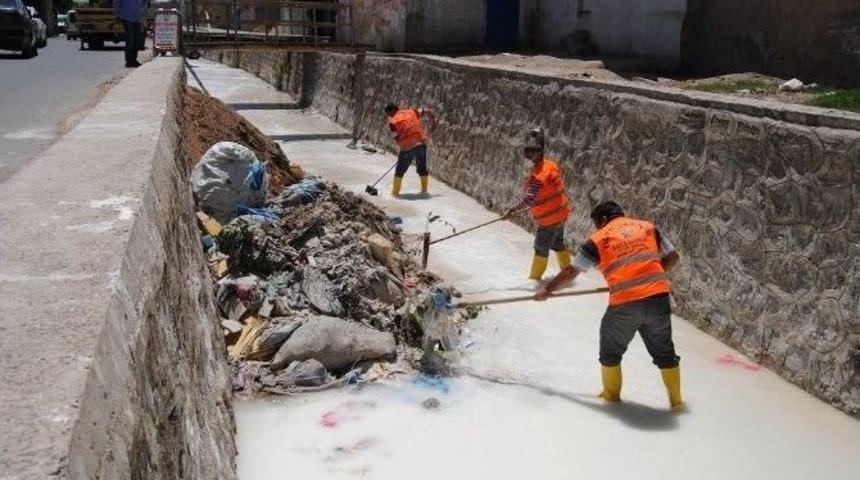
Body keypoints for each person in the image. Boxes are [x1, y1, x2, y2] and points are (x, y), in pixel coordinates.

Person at [536, 201, 683, 409]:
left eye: (597, 224)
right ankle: (677, 404)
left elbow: (572, 271)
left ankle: (611, 400)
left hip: (624, 303)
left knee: (610, 353)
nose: (597, 229)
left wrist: (547, 290)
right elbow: (673, 256)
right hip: (658, 298)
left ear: (603, 220)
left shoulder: (598, 239)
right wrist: (648, 277)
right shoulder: (647, 227)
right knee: (665, 354)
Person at [503, 128, 572, 281]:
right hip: (561, 213)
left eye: (530, 152)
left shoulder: (537, 177)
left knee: (541, 247)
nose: (529, 155)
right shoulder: (550, 165)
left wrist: (511, 211)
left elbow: (528, 200)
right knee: (557, 242)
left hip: (549, 218)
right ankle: (568, 273)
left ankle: (534, 280)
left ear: (536, 153)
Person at [385, 102, 436, 196]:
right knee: (422, 169)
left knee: (399, 172)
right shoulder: (411, 111)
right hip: (420, 143)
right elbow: (428, 111)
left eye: (389, 114)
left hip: (408, 146)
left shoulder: (393, 122)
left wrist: (403, 153)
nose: (389, 116)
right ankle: (424, 192)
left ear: (392, 111)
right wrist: (433, 124)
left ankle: (394, 195)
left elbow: (396, 139)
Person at [113, 0, 147, 68]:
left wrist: (142, 10)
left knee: (136, 39)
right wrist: (117, 14)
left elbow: (145, 2)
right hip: (127, 16)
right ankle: (129, 60)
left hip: (137, 17)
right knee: (130, 38)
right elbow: (116, 2)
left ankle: (134, 59)